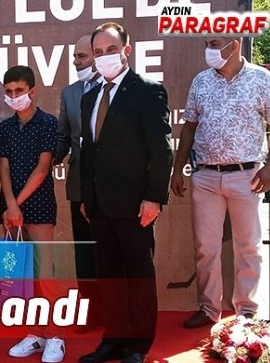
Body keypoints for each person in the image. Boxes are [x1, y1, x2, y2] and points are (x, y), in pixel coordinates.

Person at [170, 37, 270, 329]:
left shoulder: (261, 78)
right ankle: (209, 309)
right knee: (205, 247)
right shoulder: (201, 81)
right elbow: (189, 127)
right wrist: (177, 169)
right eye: (207, 44)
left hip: (247, 175)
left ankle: (246, 312)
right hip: (206, 175)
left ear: (234, 45)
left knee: (248, 247)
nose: (208, 50)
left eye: (214, 44)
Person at [78, 22, 172, 363]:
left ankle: (138, 346)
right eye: (98, 52)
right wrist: (87, 198)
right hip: (99, 206)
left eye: (111, 50)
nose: (104, 57)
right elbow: (89, 151)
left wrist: (154, 197)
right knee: (110, 277)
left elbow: (161, 149)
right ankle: (113, 340)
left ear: (126, 51)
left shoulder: (147, 90)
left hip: (135, 206)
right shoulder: (89, 97)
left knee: (138, 276)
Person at [0, 66, 64, 363]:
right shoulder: (5, 127)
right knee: (21, 276)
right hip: (10, 209)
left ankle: (55, 336)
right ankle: (35, 333)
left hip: (39, 206)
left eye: (19, 91)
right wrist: (10, 204)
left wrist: (17, 204)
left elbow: (42, 168)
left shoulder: (48, 123)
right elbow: (4, 168)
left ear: (32, 91)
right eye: (9, 92)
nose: (14, 96)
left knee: (44, 273)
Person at [53, 34, 102, 330]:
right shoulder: (69, 93)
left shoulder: (116, 89)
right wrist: (47, 158)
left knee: (111, 250)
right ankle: (91, 312)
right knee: (85, 252)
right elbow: (63, 137)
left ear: (98, 56)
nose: (75, 62)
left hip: (111, 185)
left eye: (81, 57)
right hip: (79, 184)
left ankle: (117, 311)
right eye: (74, 56)